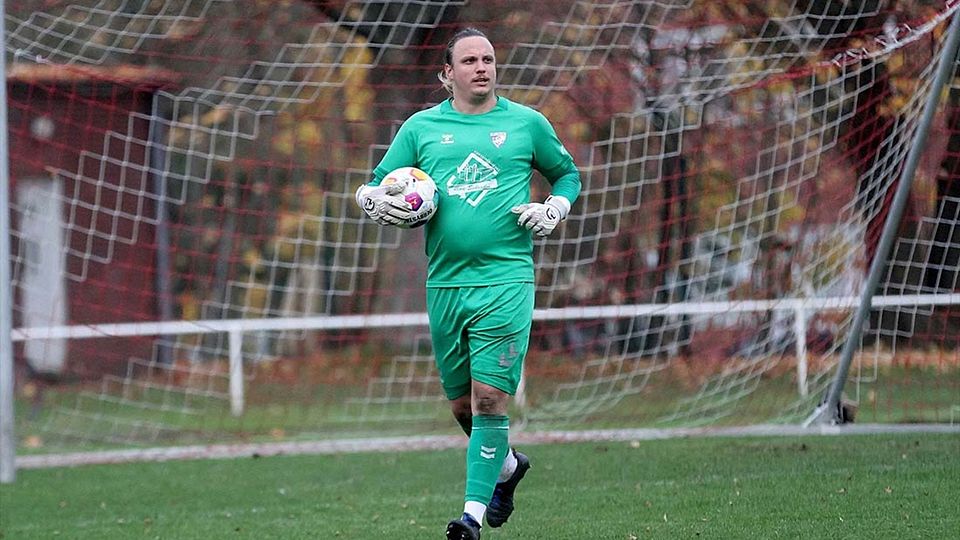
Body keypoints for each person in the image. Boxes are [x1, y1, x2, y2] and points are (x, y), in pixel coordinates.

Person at [355, 27, 581, 540]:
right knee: (462, 406)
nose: (482, 67)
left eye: (488, 59)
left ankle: (470, 519)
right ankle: (506, 467)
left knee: (489, 400)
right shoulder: (421, 128)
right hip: (446, 285)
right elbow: (377, 182)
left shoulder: (527, 124)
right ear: (447, 73)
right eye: (470, 60)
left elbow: (568, 175)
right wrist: (368, 199)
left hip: (506, 280)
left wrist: (555, 206)